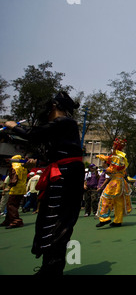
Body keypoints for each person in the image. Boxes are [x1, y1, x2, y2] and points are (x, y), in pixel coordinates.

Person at [4, 91, 85, 275]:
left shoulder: (65, 122)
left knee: (58, 220)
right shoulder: (62, 126)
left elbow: (33, 134)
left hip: (66, 175)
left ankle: (53, 268)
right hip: (61, 172)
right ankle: (49, 266)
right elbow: (46, 146)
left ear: (55, 106)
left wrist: (12, 126)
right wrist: (39, 160)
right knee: (50, 218)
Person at [96, 137, 132, 228]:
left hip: (115, 182)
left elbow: (111, 169)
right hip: (122, 183)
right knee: (118, 201)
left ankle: (104, 218)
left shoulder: (115, 158)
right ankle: (118, 220)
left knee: (105, 198)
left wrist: (106, 169)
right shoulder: (122, 158)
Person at [1, 155, 27, 228]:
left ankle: (16, 221)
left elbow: (14, 179)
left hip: (15, 189)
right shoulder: (23, 167)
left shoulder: (14, 167)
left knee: (11, 205)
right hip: (22, 188)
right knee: (13, 205)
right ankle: (8, 220)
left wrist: (9, 187)